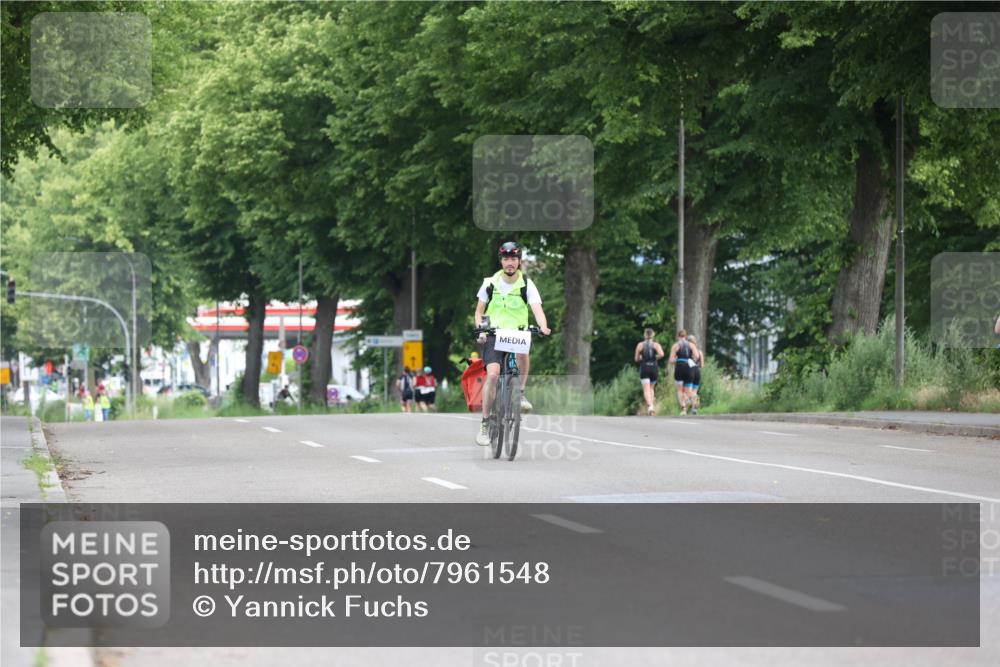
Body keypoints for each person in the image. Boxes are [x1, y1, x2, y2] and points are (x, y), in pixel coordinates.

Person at [474, 241, 551, 446]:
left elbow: (537, 310)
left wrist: (543, 326)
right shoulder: (490, 283)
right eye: (506, 259)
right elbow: (479, 310)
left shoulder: (527, 283)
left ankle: (520, 394)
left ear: (519, 261)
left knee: (523, 354)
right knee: (492, 374)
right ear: (501, 261)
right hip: (494, 334)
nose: (510, 263)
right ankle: (484, 422)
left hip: (518, 333)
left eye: (514, 259)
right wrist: (481, 329)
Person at [634, 328, 665, 416]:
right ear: (653, 335)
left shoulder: (640, 345)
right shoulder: (656, 345)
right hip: (654, 367)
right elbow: (662, 354)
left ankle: (650, 407)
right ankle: (652, 406)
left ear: (644, 335)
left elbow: (636, 359)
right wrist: (655, 357)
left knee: (646, 389)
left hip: (644, 368)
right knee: (651, 388)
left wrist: (642, 358)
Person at [667, 329, 698, 416]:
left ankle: (683, 409)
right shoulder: (691, 345)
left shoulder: (676, 346)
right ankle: (694, 399)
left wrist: (677, 359)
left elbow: (671, 360)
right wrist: (691, 359)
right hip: (689, 366)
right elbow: (697, 356)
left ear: (678, 336)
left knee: (680, 390)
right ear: (686, 336)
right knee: (688, 390)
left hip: (680, 366)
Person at [686, 334, 704, 415]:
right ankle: (694, 409)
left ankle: (694, 402)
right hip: (697, 371)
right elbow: (702, 365)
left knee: (688, 392)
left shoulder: (687, 351)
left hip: (690, 371)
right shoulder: (699, 352)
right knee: (694, 391)